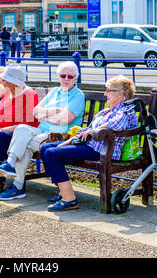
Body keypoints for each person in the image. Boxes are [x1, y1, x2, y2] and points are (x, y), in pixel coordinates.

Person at [40, 75, 138, 211]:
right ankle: (63, 191)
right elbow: (86, 129)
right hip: (90, 145)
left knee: (52, 154)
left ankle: (69, 200)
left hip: (103, 150)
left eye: (109, 90)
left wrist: (95, 131)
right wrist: (67, 142)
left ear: (120, 94)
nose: (105, 94)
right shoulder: (106, 111)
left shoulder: (125, 110)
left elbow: (117, 124)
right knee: (46, 148)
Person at [0, 61, 85, 200]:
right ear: (58, 76)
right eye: (63, 75)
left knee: (24, 143)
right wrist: (56, 111)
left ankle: (17, 185)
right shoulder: (54, 92)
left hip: (60, 136)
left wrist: (47, 114)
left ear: (76, 78)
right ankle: (11, 164)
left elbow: (65, 119)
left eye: (70, 77)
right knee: (22, 128)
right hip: (41, 131)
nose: (66, 79)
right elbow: (36, 112)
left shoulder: (78, 95)